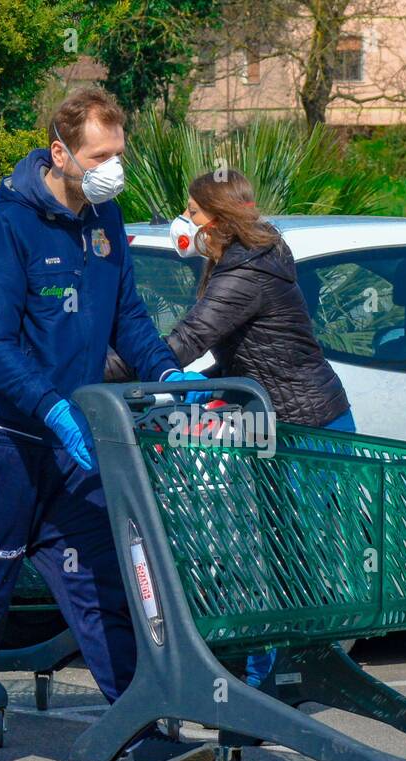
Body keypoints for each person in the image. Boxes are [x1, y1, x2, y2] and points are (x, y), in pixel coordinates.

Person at [0, 87, 213, 761]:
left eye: (118, 154)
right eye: (99, 156)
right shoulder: (4, 231)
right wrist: (51, 408)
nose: (112, 168)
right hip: (9, 444)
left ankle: (132, 728)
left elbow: (129, 320)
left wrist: (169, 374)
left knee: (103, 582)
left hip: (73, 445)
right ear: (60, 154)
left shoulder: (106, 220)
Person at [106, 169, 355, 686]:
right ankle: (280, 672)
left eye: (192, 212)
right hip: (281, 424)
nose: (184, 222)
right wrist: (206, 386)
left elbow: (186, 340)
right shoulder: (249, 260)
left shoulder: (245, 273)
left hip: (306, 427)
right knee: (285, 557)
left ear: (217, 219)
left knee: (298, 557)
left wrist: (90, 369)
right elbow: (247, 353)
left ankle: (279, 675)